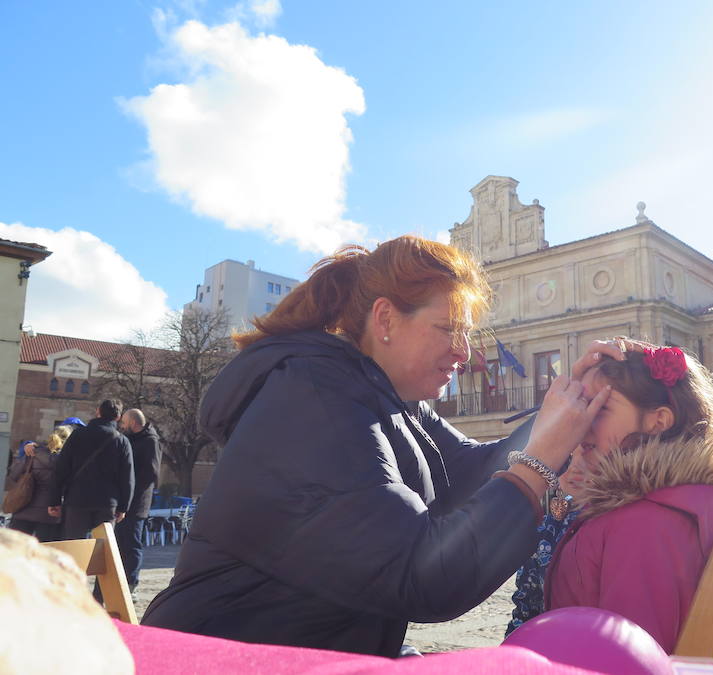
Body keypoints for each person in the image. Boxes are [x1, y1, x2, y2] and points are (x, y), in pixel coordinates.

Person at [142, 235, 607, 657]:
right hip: (217, 661)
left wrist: (567, 408)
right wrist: (537, 466)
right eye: (449, 330)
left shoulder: (387, 399)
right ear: (385, 318)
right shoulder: (311, 402)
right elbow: (423, 577)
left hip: (305, 655)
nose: (464, 353)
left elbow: (473, 471)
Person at [544, 343, 713, 654]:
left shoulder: (642, 523)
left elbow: (632, 658)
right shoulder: (659, 503)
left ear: (658, 420)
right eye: (582, 406)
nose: (580, 422)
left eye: (599, 409)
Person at [505, 463, 581, 637]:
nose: (574, 468)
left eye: (590, 449)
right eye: (566, 460)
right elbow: (527, 602)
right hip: (548, 643)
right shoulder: (547, 526)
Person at [49, 399, 135, 540]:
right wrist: (123, 507)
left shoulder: (77, 435)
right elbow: (127, 478)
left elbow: (61, 469)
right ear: (118, 417)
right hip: (107, 502)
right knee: (103, 548)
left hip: (77, 499)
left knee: (75, 546)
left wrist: (54, 500)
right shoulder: (121, 441)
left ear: (98, 412)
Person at [117, 408, 161, 591]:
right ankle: (120, 581)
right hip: (124, 501)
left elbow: (151, 473)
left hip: (137, 503)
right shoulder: (132, 439)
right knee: (120, 544)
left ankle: (131, 583)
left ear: (134, 423)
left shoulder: (150, 441)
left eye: (124, 424)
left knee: (132, 544)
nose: (122, 427)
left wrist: (129, 478)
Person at [5, 425, 73, 542]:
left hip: (24, 508)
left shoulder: (32, 453)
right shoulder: (67, 460)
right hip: (51, 513)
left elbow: (14, 475)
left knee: (16, 551)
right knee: (45, 553)